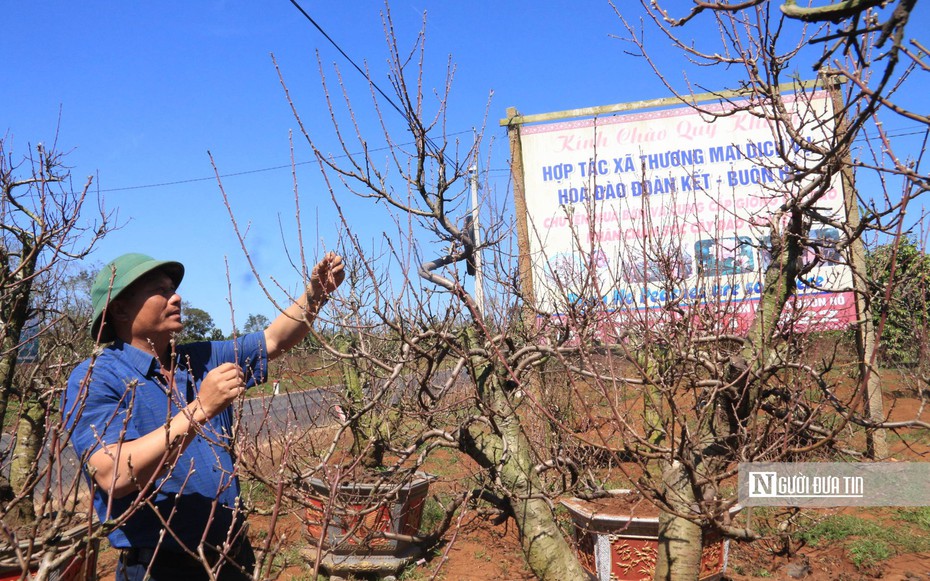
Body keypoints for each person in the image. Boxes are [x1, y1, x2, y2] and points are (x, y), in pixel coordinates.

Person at [62, 252, 344, 581]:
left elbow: (274, 339)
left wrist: (317, 294)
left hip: (232, 556)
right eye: (161, 290)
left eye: (173, 288)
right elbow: (114, 476)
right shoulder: (95, 378)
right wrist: (201, 409)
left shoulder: (200, 358)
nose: (176, 296)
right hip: (160, 568)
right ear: (120, 309)